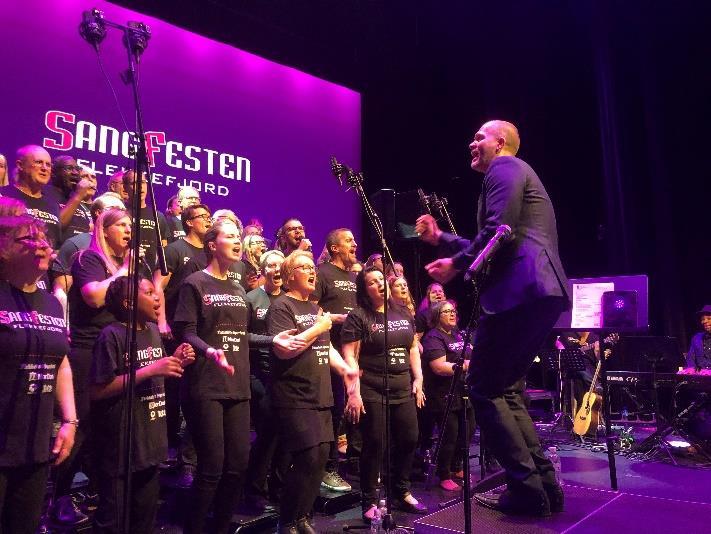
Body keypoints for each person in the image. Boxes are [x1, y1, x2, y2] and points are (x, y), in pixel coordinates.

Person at [416, 119, 569, 517]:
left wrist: (455, 262)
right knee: (506, 389)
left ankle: (526, 487)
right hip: (540, 291)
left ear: (500, 143)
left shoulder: (504, 168)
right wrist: (443, 241)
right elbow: (499, 234)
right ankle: (544, 487)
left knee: (483, 388)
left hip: (519, 292)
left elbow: (499, 232)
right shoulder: (517, 172)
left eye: (480, 136)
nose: (473, 142)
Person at [172, 219, 303, 534]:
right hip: (206, 385)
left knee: (237, 466)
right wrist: (209, 351)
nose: (236, 240)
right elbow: (185, 331)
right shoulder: (194, 283)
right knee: (212, 467)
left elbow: (242, 334)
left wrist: (273, 339)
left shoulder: (236, 286)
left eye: (236, 236)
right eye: (229, 236)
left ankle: (219, 527)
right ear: (212, 244)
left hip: (237, 384)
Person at [90, 276, 195, 534]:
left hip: (150, 443)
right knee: (112, 520)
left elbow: (152, 372)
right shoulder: (111, 335)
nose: (157, 297)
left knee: (144, 519)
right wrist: (151, 370)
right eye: (149, 292)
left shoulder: (151, 333)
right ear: (128, 302)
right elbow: (98, 390)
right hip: (121, 447)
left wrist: (176, 361)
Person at [52, 208, 135, 526]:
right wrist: (123, 272)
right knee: (81, 426)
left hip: (116, 349)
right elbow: (93, 297)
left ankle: (99, 493)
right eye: (122, 225)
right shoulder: (89, 259)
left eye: (131, 225)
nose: (129, 230)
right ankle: (59, 497)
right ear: (105, 230)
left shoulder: (126, 264)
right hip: (88, 350)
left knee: (109, 429)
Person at [266, 250, 357, 534]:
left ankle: (303, 518)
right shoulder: (282, 306)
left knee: (320, 460)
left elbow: (325, 347)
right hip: (294, 394)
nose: (311, 271)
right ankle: (287, 520)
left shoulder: (315, 309)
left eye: (311, 267)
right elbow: (286, 349)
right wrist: (319, 327)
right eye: (304, 267)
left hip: (320, 393)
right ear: (290, 275)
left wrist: (345, 370)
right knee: (305, 458)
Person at [0, 214, 76, 534]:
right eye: (28, 238)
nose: (42, 245)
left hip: (35, 443)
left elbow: (61, 362)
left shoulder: (51, 304)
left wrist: (70, 421)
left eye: (44, 238)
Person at [341, 266, 427, 521]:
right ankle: (368, 500)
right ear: (364, 290)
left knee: (410, 438)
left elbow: (413, 347)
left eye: (382, 279)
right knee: (375, 444)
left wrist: (419, 378)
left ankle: (401, 490)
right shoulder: (358, 317)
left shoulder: (402, 312)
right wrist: (353, 393)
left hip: (402, 387)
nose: (380, 284)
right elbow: (350, 357)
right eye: (373, 282)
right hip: (373, 388)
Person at [311, 228, 358, 492]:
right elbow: (311, 308)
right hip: (327, 352)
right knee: (332, 410)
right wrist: (335, 318)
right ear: (334, 248)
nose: (355, 244)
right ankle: (326, 469)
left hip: (351, 352)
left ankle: (339, 465)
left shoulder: (354, 276)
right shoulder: (324, 273)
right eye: (348, 241)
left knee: (345, 412)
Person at [244, 250, 287, 510]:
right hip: (259, 376)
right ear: (263, 270)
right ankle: (255, 490)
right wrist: (272, 341)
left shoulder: (291, 299)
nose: (277, 269)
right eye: (271, 265)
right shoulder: (252, 299)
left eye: (281, 265)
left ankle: (279, 488)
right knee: (267, 435)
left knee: (285, 436)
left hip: (287, 377)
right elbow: (243, 336)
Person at [421, 300, 475, 491]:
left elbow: (471, 353)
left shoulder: (457, 334)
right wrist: (468, 365)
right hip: (443, 394)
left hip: (463, 391)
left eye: (453, 310)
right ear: (437, 316)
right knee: (449, 435)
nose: (452, 314)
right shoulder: (433, 338)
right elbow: (439, 367)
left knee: (467, 431)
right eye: (447, 311)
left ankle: (456, 466)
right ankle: (443, 474)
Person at [1, 145, 62, 247]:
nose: (44, 168)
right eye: (38, 162)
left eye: (48, 165)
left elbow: (56, 245)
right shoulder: (4, 196)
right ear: (20, 165)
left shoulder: (53, 204)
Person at [122, 170, 169, 272]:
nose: (140, 186)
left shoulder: (158, 216)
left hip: (149, 273)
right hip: (125, 270)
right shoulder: (121, 212)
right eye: (134, 183)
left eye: (142, 182)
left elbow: (164, 248)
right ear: (125, 188)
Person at [50, 155, 96, 241]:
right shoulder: (46, 194)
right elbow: (55, 226)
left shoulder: (78, 201)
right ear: (54, 173)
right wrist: (78, 196)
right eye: (69, 168)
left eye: (77, 169)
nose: (75, 173)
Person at [680, 305, 711, 374]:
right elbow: (691, 358)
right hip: (701, 378)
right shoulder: (697, 338)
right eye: (703, 319)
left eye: (709, 318)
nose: (705, 321)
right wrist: (690, 369)